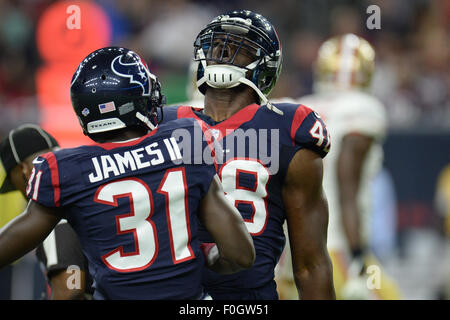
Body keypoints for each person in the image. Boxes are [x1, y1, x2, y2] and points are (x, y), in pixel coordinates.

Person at [0, 46, 255, 300]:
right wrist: (207, 255)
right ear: (134, 98)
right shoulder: (187, 139)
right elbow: (240, 255)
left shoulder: (66, 169)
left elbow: (12, 243)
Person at [162, 10, 335, 299]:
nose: (223, 49)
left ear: (266, 65)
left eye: (242, 44)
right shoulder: (161, 123)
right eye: (216, 43)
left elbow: (311, 264)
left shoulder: (289, 127)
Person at [276, 34, 401, 299]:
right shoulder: (364, 109)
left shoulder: (297, 107)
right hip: (335, 249)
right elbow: (348, 187)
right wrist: (357, 258)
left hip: (289, 253)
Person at [0, 124, 93, 299]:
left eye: (15, 184)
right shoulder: (82, 191)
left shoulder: (52, 212)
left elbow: (70, 289)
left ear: (23, 171)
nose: (21, 193)